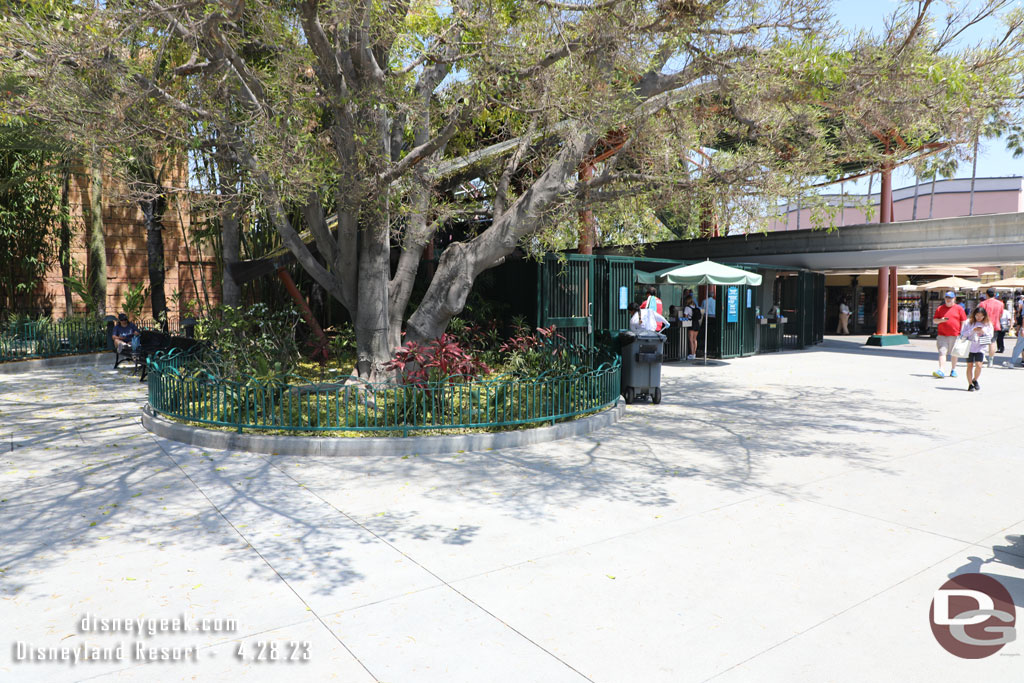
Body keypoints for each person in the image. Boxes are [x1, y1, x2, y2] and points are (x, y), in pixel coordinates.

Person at [932, 291, 966, 379]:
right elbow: (934, 320)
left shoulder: (959, 308)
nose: (948, 300)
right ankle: (941, 370)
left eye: (950, 298)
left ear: (954, 299)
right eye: (947, 298)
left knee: (954, 353)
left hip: (955, 335)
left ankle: (953, 369)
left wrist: (962, 334)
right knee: (942, 352)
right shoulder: (940, 308)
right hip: (942, 335)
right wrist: (941, 320)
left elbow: (963, 321)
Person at [960, 306, 993, 391]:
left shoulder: (988, 323)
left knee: (979, 365)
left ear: (984, 316)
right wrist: (972, 330)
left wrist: (983, 332)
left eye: (981, 316)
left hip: (981, 347)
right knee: (969, 365)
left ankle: (975, 379)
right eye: (977, 315)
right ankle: (970, 384)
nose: (979, 317)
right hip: (969, 346)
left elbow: (990, 335)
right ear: (974, 315)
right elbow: (962, 334)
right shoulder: (968, 322)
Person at [977, 288, 1005, 367]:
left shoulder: (983, 303)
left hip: (985, 325)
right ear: (994, 294)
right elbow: (1001, 314)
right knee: (992, 342)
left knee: (983, 342)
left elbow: (980, 315)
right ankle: (991, 361)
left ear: (986, 294)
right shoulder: (1000, 304)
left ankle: (982, 358)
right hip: (995, 324)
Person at [682, 294, 702, 360]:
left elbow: (685, 317)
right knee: (695, 339)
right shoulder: (695, 307)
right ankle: (694, 353)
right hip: (697, 323)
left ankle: (692, 354)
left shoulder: (687, 308)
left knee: (690, 339)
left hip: (691, 323)